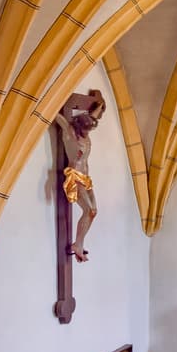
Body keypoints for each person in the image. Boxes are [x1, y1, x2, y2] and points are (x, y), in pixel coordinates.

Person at [57, 89, 106, 262]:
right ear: (80, 127)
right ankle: (77, 244)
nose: (88, 133)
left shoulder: (86, 130)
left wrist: (99, 104)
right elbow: (55, 114)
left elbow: (93, 113)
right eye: (86, 130)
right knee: (89, 210)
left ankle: (79, 243)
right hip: (75, 176)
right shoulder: (70, 133)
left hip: (86, 178)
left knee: (94, 211)